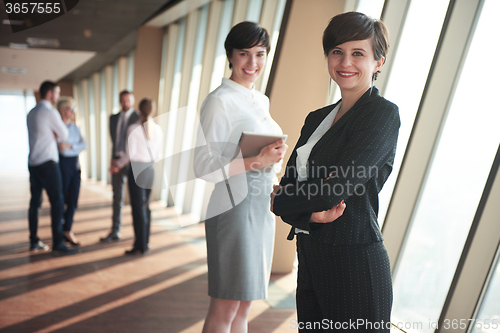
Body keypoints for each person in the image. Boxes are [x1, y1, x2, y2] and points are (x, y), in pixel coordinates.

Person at [271, 12, 400, 332]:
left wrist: (282, 201)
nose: (346, 62)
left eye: (359, 53)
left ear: (378, 62)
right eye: (337, 52)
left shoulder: (381, 115)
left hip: (355, 263)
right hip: (311, 259)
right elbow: (289, 184)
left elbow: (332, 190)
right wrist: (310, 214)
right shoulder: (317, 119)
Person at [194, 21, 287, 333]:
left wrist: (270, 167)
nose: (253, 63)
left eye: (260, 54)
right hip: (232, 205)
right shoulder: (220, 100)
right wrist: (256, 160)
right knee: (227, 304)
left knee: (245, 304)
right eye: (244, 54)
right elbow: (203, 165)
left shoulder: (260, 100)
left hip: (260, 205)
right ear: (230, 56)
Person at [27, 81, 80, 255]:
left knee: (35, 203)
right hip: (48, 162)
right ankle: (58, 243)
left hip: (33, 163)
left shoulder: (32, 112)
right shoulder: (50, 112)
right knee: (57, 202)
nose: (58, 96)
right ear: (49, 94)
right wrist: (56, 133)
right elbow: (63, 135)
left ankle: (34, 241)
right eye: (57, 93)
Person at [111, 98, 163, 255]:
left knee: (137, 209)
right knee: (146, 208)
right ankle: (145, 243)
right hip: (150, 170)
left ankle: (139, 246)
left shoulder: (133, 128)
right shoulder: (157, 130)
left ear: (139, 111)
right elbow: (158, 156)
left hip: (137, 170)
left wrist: (117, 165)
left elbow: (128, 155)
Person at [101, 90, 139, 242]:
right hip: (116, 161)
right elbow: (114, 141)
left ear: (133, 101)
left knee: (136, 199)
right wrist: (114, 159)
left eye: (128, 100)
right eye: (122, 100)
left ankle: (139, 236)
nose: (125, 103)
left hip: (133, 162)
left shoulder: (138, 118)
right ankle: (115, 230)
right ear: (119, 101)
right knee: (117, 197)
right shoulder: (113, 118)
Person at [57, 97, 86, 246]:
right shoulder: (58, 127)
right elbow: (62, 150)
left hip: (75, 165)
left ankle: (68, 229)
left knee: (74, 199)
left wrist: (70, 146)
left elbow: (84, 145)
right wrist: (74, 146)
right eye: (70, 108)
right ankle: (59, 231)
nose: (73, 111)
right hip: (63, 165)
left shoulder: (75, 127)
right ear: (62, 111)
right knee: (62, 199)